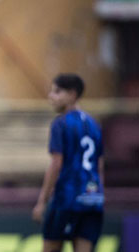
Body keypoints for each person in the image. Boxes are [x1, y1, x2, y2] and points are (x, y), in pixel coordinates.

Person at [32, 73, 104, 252]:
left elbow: (57, 163)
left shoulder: (61, 124)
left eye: (57, 91)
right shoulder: (94, 124)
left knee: (51, 247)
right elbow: (100, 165)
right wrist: (99, 193)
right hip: (93, 198)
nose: (51, 96)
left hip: (67, 198)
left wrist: (42, 201)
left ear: (72, 94)